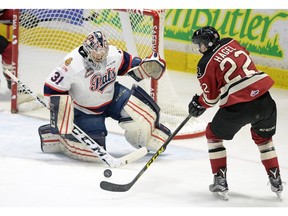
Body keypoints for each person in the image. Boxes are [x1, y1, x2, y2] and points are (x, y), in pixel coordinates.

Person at [38, 30, 171, 163]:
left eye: (104, 53)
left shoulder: (113, 54)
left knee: (140, 110)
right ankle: (60, 139)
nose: (101, 57)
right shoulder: (71, 65)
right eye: (97, 54)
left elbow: (128, 64)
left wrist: (144, 66)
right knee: (94, 152)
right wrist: (59, 110)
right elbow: (51, 87)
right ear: (88, 51)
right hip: (86, 110)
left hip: (112, 97)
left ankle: (148, 138)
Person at [189, 26, 283, 200]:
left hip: (239, 106)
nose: (199, 48)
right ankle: (276, 178)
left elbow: (211, 99)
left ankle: (220, 179)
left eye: (200, 44)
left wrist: (198, 103)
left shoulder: (205, 63)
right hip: (265, 100)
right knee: (264, 139)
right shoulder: (231, 42)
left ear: (207, 43)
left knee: (213, 134)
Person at [0, 9, 13, 89]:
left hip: (6, 43)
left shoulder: (10, 11)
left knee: (10, 55)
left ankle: (10, 78)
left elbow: (10, 15)